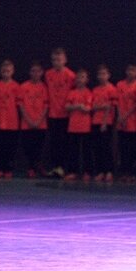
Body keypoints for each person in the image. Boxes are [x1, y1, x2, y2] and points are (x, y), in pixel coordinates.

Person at [46, 48, 76, 178]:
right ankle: (55, 167)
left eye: (59, 60)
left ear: (65, 60)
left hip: (66, 114)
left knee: (65, 143)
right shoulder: (48, 74)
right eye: (54, 60)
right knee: (54, 143)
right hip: (53, 114)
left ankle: (65, 168)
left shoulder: (71, 75)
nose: (56, 62)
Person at [18, 61, 48, 178]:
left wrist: (39, 120)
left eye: (38, 71)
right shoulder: (23, 86)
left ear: (41, 73)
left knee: (39, 147)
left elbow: (46, 105)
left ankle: (38, 167)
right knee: (28, 147)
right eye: (33, 71)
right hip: (27, 124)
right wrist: (28, 120)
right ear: (30, 72)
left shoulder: (44, 87)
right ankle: (31, 168)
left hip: (41, 124)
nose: (35, 73)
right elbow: (20, 105)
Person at [64, 68, 93, 181]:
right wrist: (78, 106)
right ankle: (73, 171)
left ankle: (87, 172)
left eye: (82, 77)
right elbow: (67, 107)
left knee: (86, 151)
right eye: (78, 77)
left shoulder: (88, 93)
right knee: (73, 151)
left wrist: (78, 107)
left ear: (87, 80)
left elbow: (87, 108)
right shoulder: (72, 93)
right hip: (73, 126)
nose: (80, 80)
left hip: (85, 126)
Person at [91, 64, 118, 183]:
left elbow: (111, 107)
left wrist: (105, 122)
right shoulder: (95, 90)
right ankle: (100, 171)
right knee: (97, 148)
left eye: (104, 74)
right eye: (100, 74)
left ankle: (109, 171)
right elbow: (92, 106)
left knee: (107, 147)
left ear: (108, 75)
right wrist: (100, 106)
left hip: (107, 122)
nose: (102, 76)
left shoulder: (112, 89)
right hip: (95, 121)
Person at [116, 64, 136, 182]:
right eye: (129, 70)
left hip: (134, 123)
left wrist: (126, 116)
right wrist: (120, 116)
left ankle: (132, 173)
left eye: (133, 70)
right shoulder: (120, 85)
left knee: (133, 150)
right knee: (123, 149)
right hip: (121, 123)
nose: (131, 72)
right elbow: (117, 102)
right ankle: (123, 172)